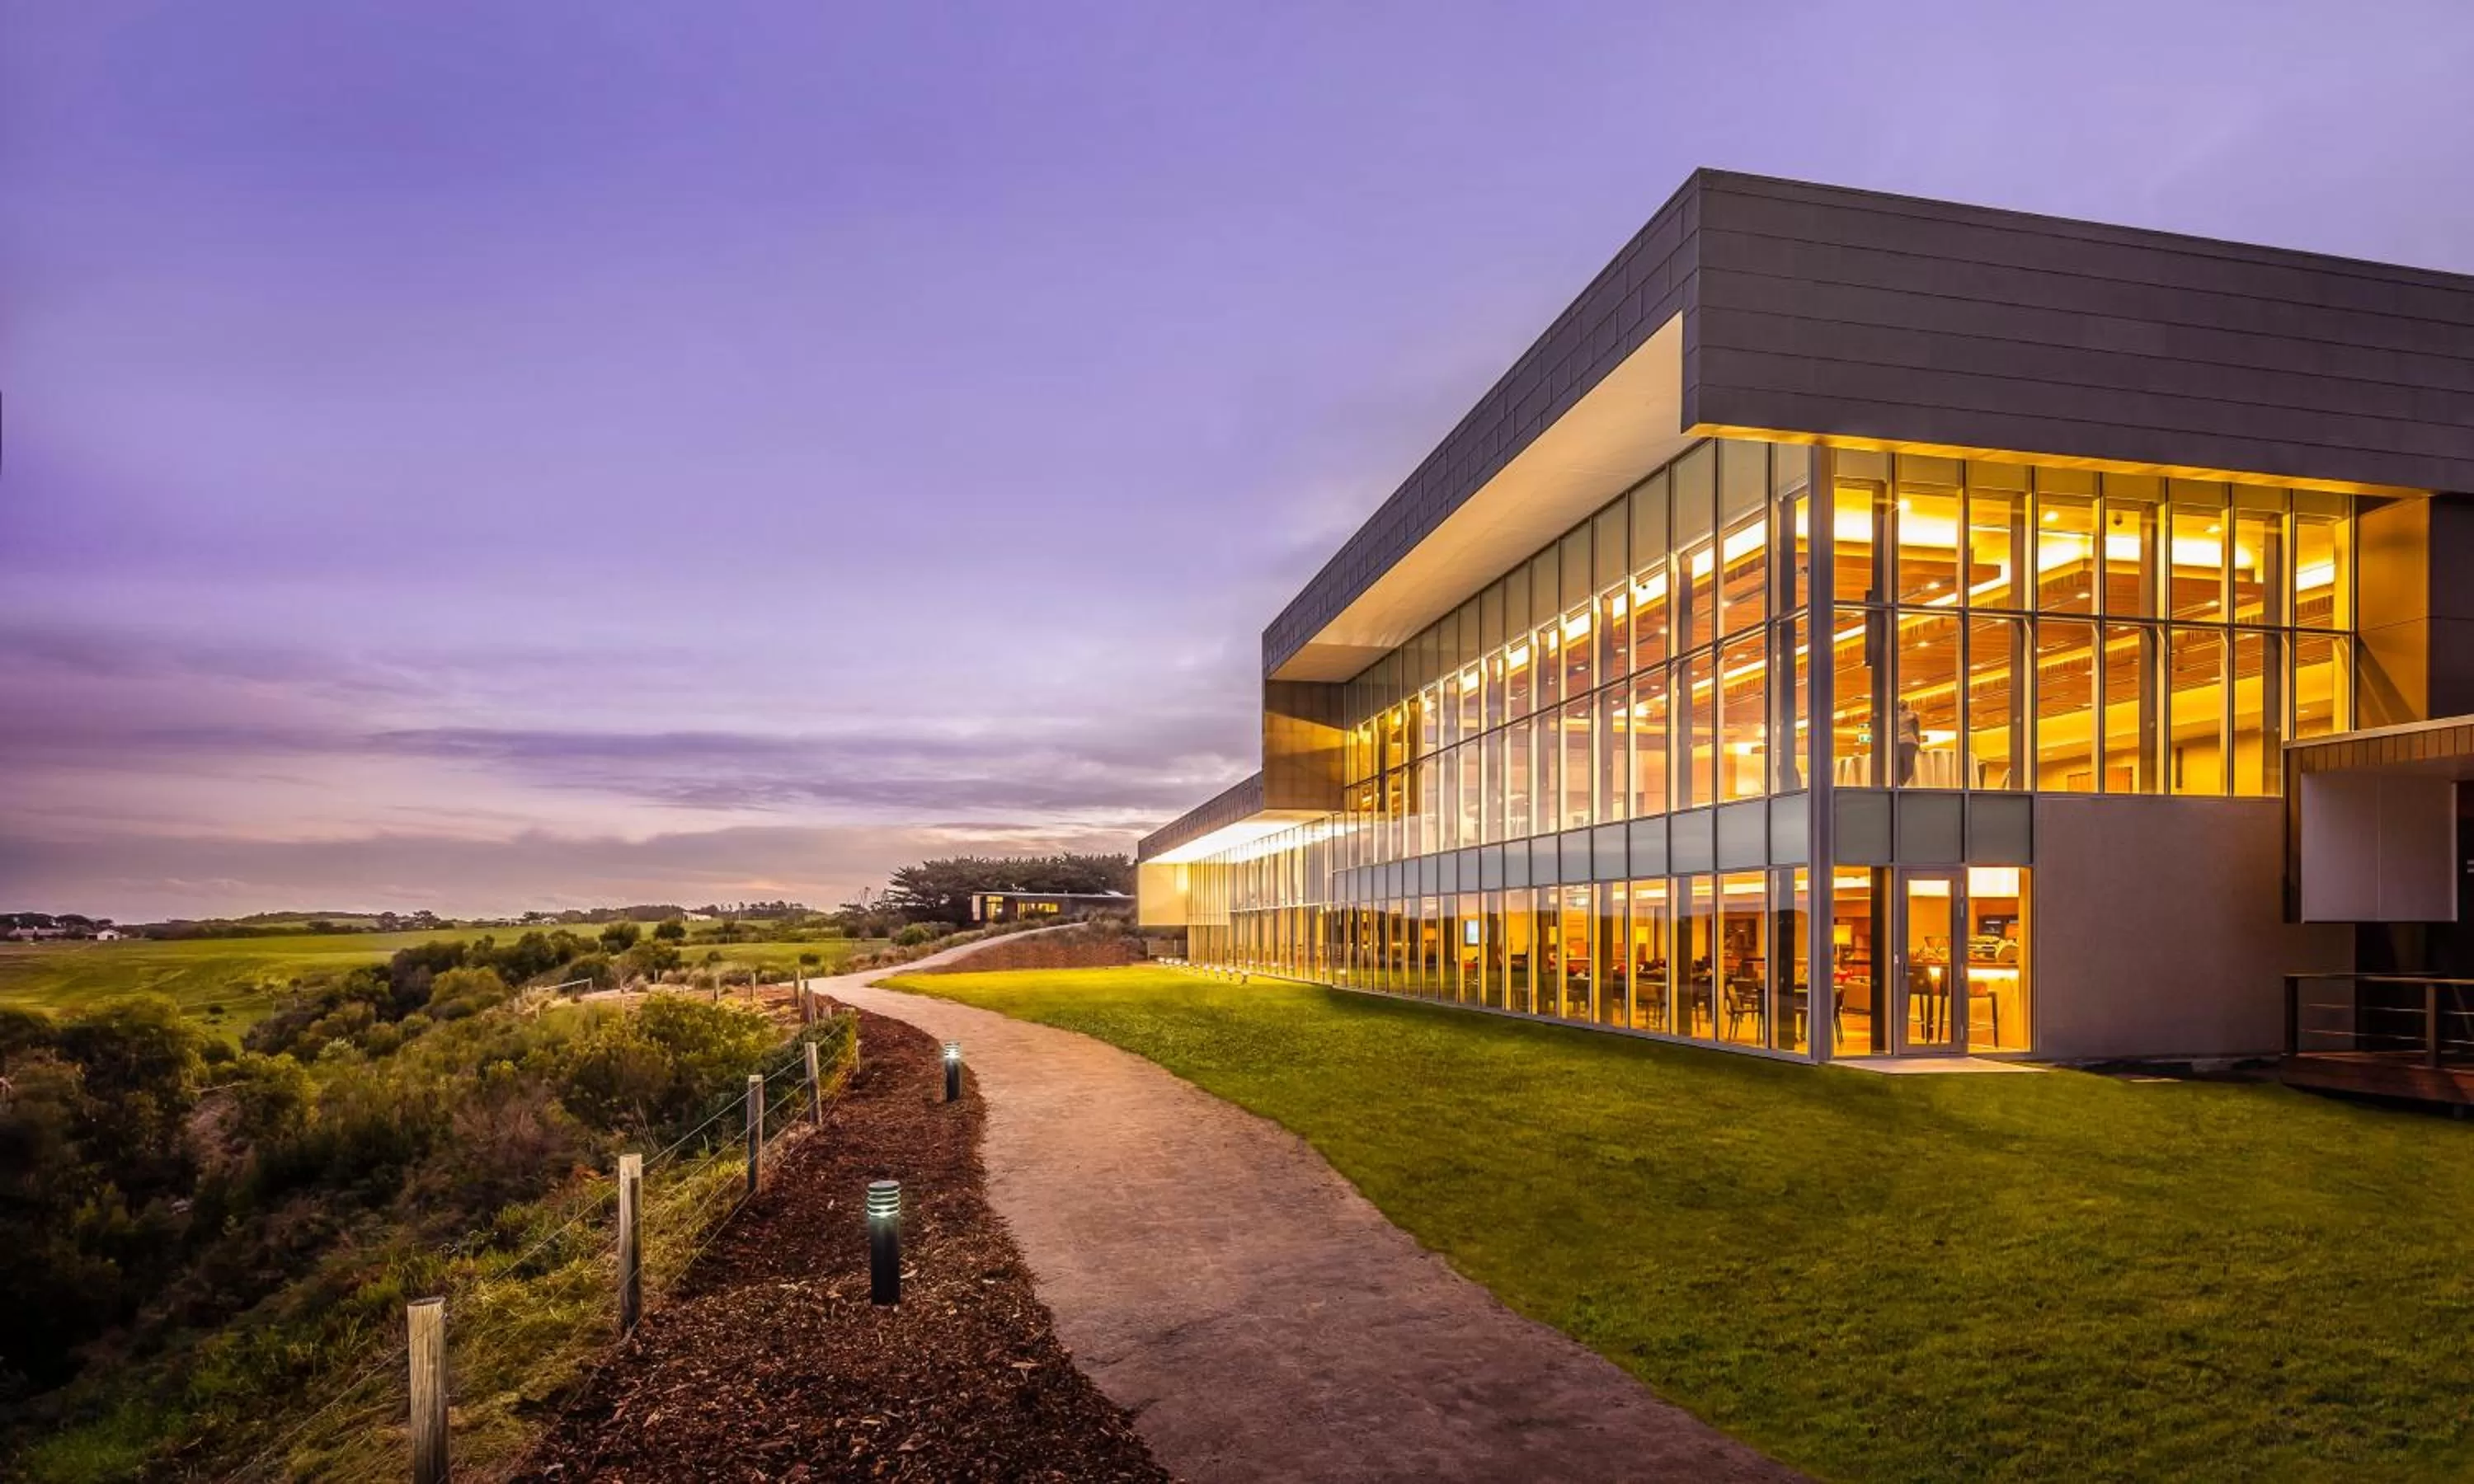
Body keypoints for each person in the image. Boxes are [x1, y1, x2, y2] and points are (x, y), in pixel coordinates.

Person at [1895, 700, 1923, 786]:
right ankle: (1907, 784)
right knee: (1909, 766)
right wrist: (1919, 745)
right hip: (1909, 742)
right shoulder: (1913, 716)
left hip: (1898, 743)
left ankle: (1900, 785)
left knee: (1898, 767)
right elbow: (1916, 732)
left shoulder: (1894, 717)